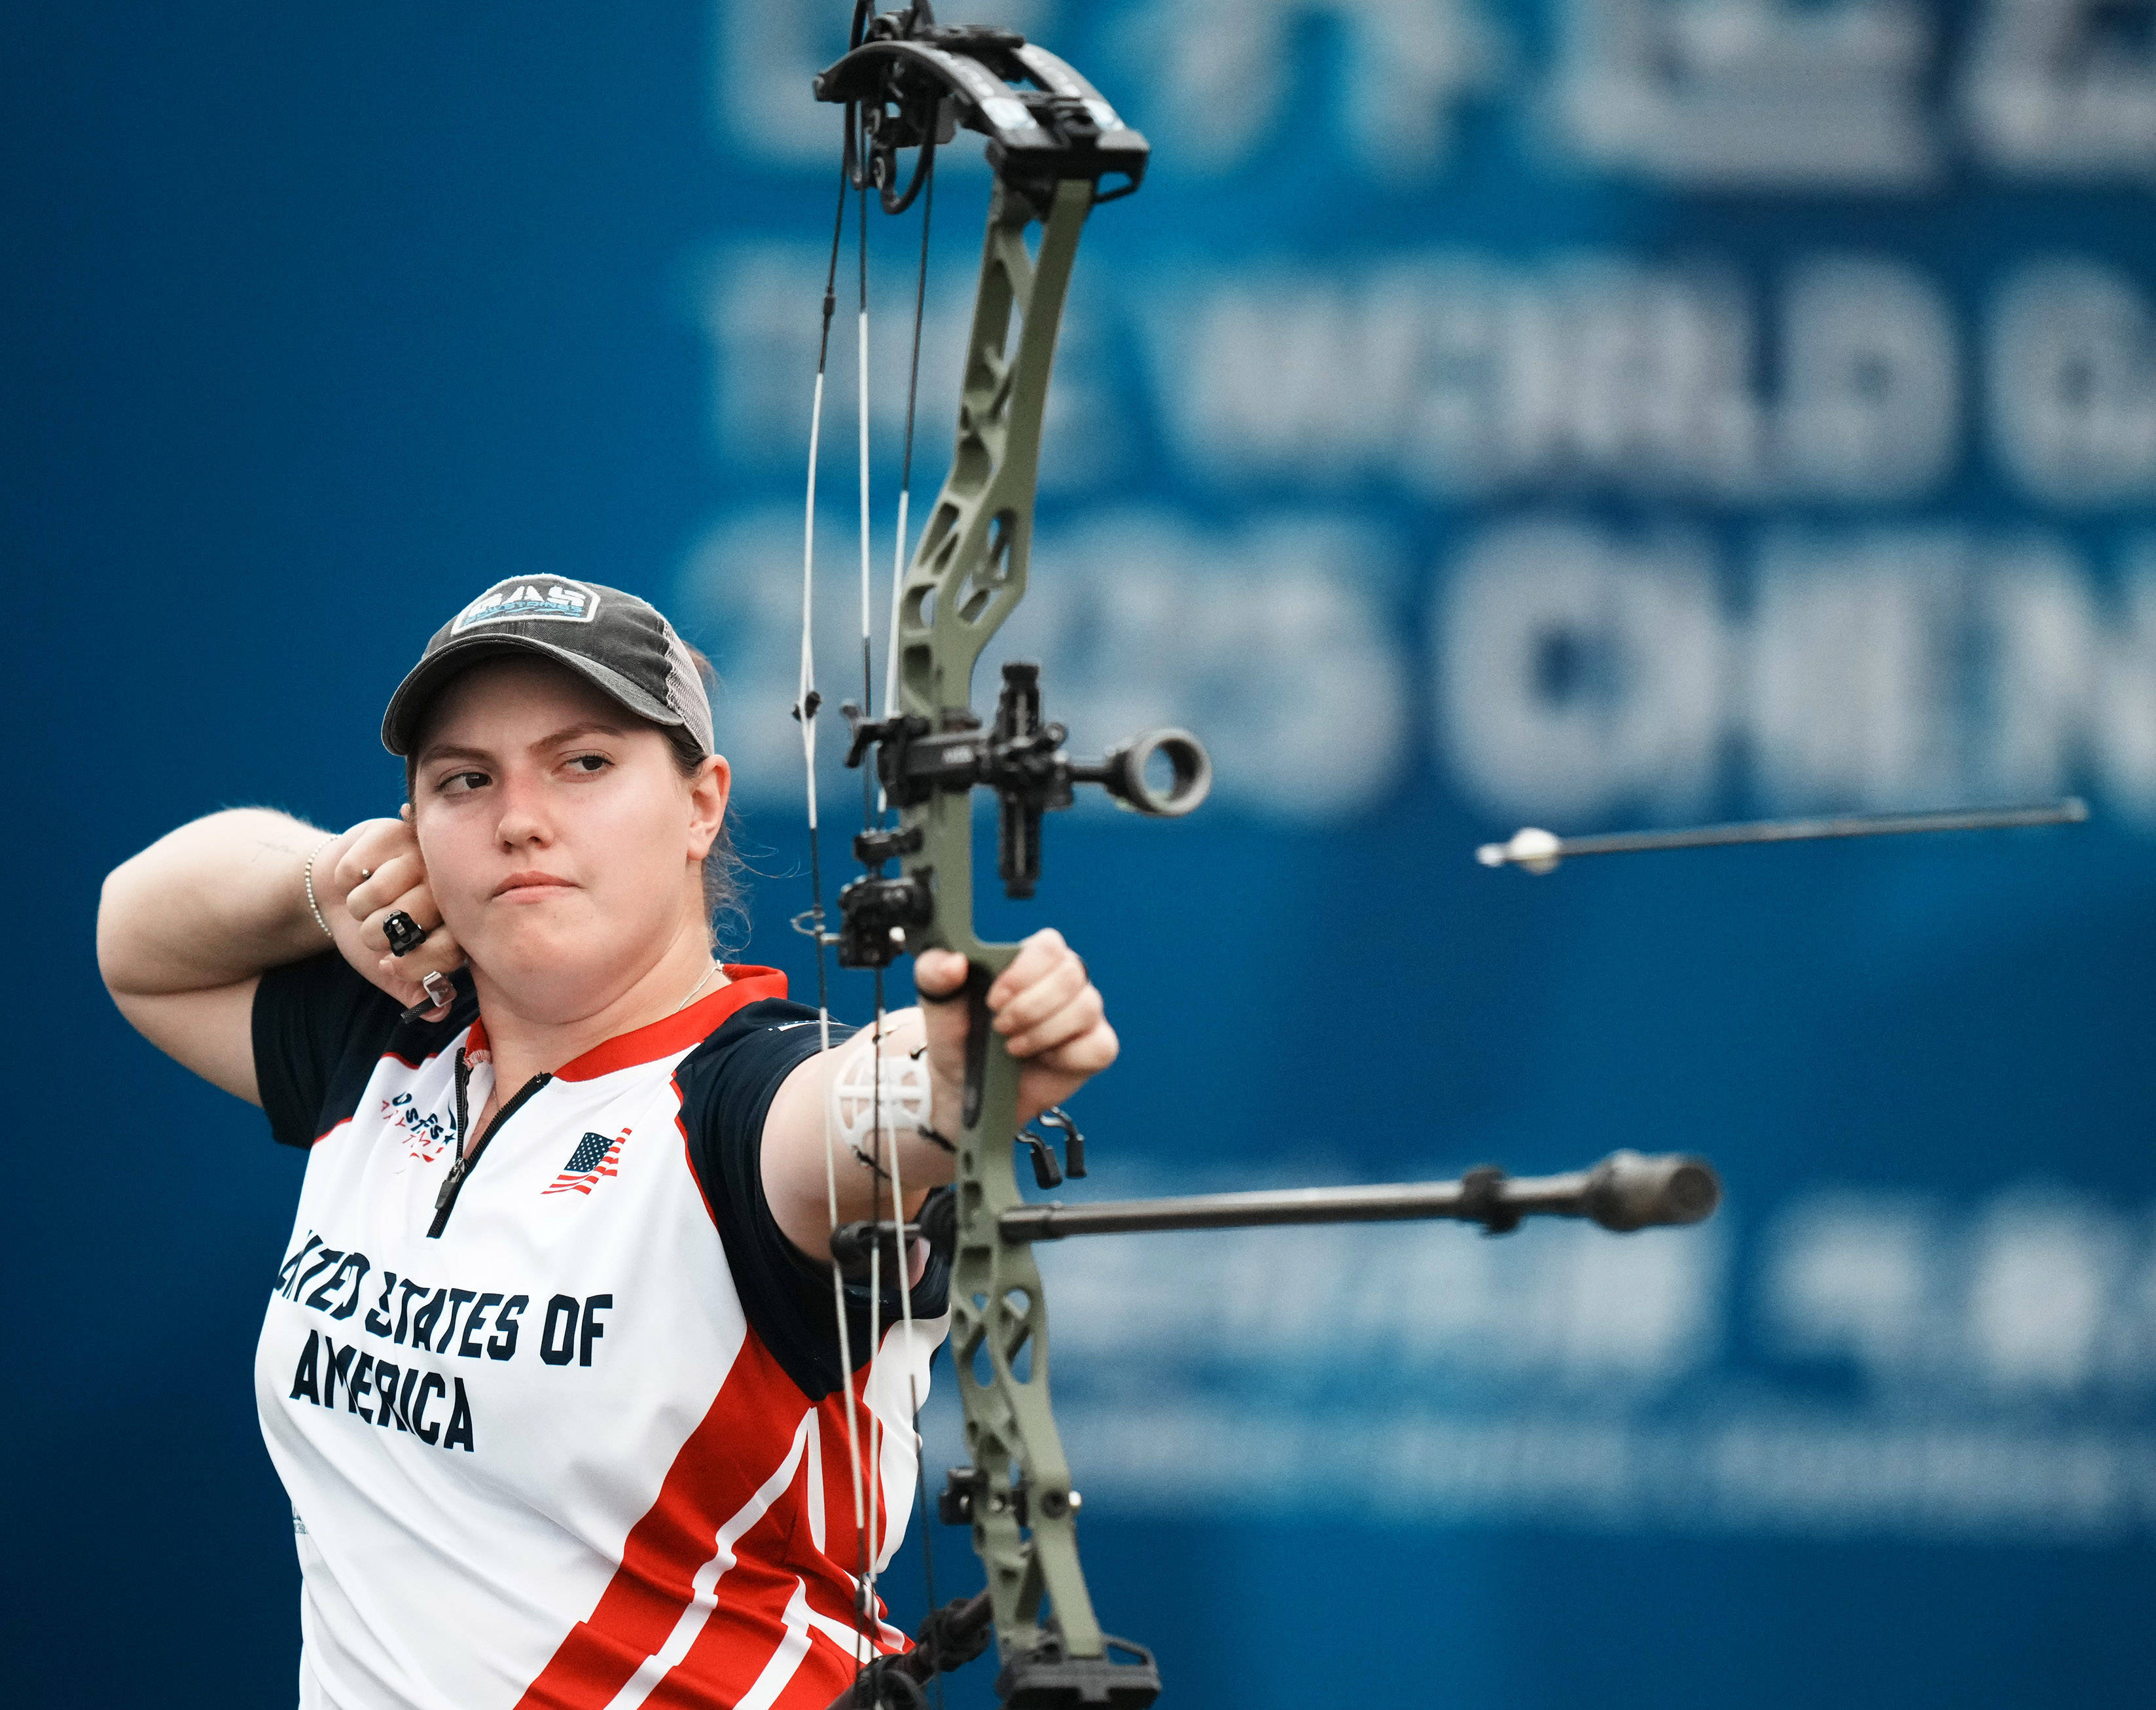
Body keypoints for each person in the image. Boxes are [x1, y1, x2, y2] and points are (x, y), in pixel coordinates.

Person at [96, 575, 1118, 1710]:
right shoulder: (389, 1041)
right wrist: (325, 886)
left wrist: (964, 1074)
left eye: (583, 763)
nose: (518, 816)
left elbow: (850, 1119)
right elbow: (136, 938)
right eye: (464, 780)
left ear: (701, 804)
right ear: (414, 827)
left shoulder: (743, 1097)